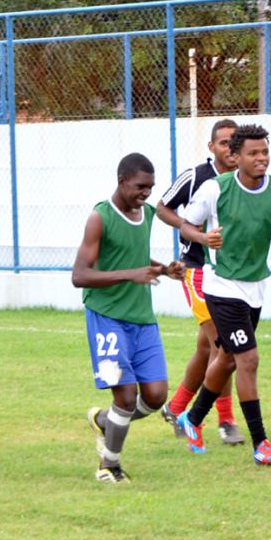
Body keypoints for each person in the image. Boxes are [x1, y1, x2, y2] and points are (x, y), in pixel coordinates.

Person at [175, 124, 271, 466]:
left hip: (255, 286)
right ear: (236, 156)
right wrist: (203, 240)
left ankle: (192, 419)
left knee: (227, 359)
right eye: (253, 153)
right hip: (222, 286)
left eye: (265, 152)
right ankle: (261, 443)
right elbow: (187, 224)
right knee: (248, 360)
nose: (261, 159)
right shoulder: (216, 189)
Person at [74, 153, 184, 483]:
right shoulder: (100, 217)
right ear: (122, 181)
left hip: (142, 318)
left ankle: (107, 421)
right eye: (140, 187)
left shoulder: (147, 214)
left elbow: (133, 256)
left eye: (150, 188)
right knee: (125, 395)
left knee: (156, 396)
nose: (145, 194)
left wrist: (164, 269)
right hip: (107, 317)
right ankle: (109, 465)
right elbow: (80, 275)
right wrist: (130, 274)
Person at [156, 118, 245, 445]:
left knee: (208, 346)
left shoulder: (245, 179)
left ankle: (176, 407)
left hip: (233, 273)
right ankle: (225, 420)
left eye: (235, 143)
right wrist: (193, 231)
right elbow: (162, 207)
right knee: (225, 344)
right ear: (212, 147)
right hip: (197, 270)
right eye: (224, 143)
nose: (230, 149)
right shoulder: (197, 176)